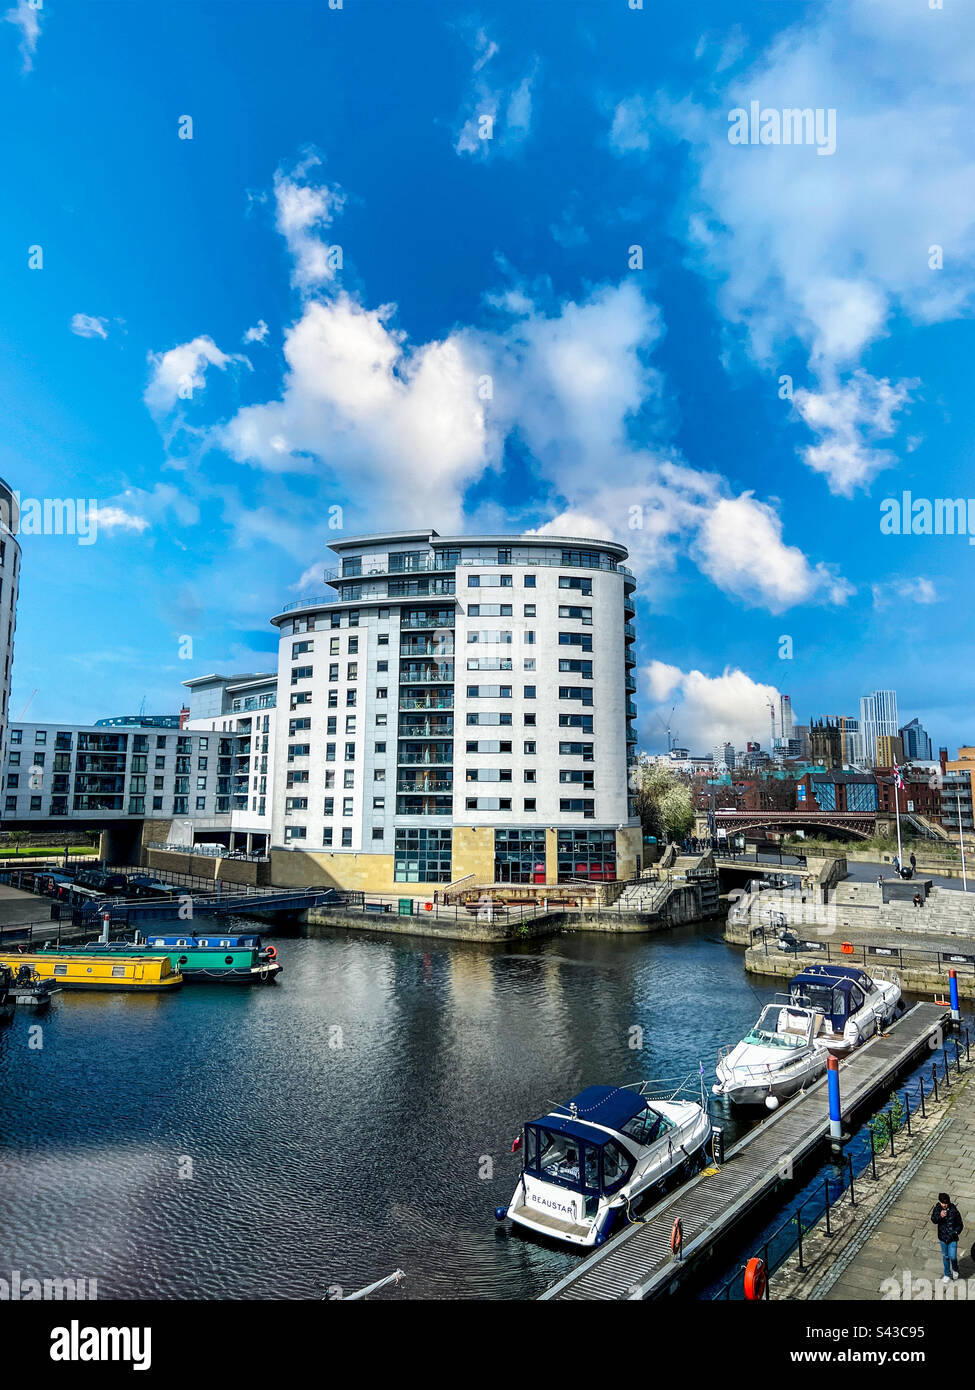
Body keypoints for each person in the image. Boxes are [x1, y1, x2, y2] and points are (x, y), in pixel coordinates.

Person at [931, 1192, 963, 1282]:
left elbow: (960, 1224)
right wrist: (940, 1216)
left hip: (952, 1238)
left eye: (946, 1203)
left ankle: (955, 1269)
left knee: (952, 1257)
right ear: (940, 1202)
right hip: (942, 1237)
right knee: (945, 1256)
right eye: (943, 1203)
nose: (945, 1205)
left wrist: (956, 1231)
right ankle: (947, 1274)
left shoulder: (954, 1211)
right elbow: (933, 1219)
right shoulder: (937, 1209)